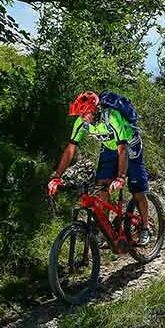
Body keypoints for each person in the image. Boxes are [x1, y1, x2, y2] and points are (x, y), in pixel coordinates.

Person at [47, 91, 149, 229]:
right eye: (80, 114)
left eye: (85, 113)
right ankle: (105, 230)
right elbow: (70, 149)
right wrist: (57, 176)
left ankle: (144, 226)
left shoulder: (112, 117)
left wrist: (120, 177)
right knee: (101, 186)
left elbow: (123, 150)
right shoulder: (81, 123)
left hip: (130, 147)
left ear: (94, 110)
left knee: (137, 191)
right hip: (109, 148)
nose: (82, 117)